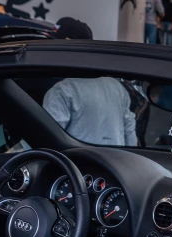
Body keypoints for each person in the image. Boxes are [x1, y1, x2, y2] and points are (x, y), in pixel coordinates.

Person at [43, 19, 137, 147]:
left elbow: (46, 141)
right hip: (115, 165)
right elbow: (130, 135)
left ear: (67, 50)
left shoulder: (62, 91)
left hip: (75, 166)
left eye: (54, 47)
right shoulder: (116, 87)